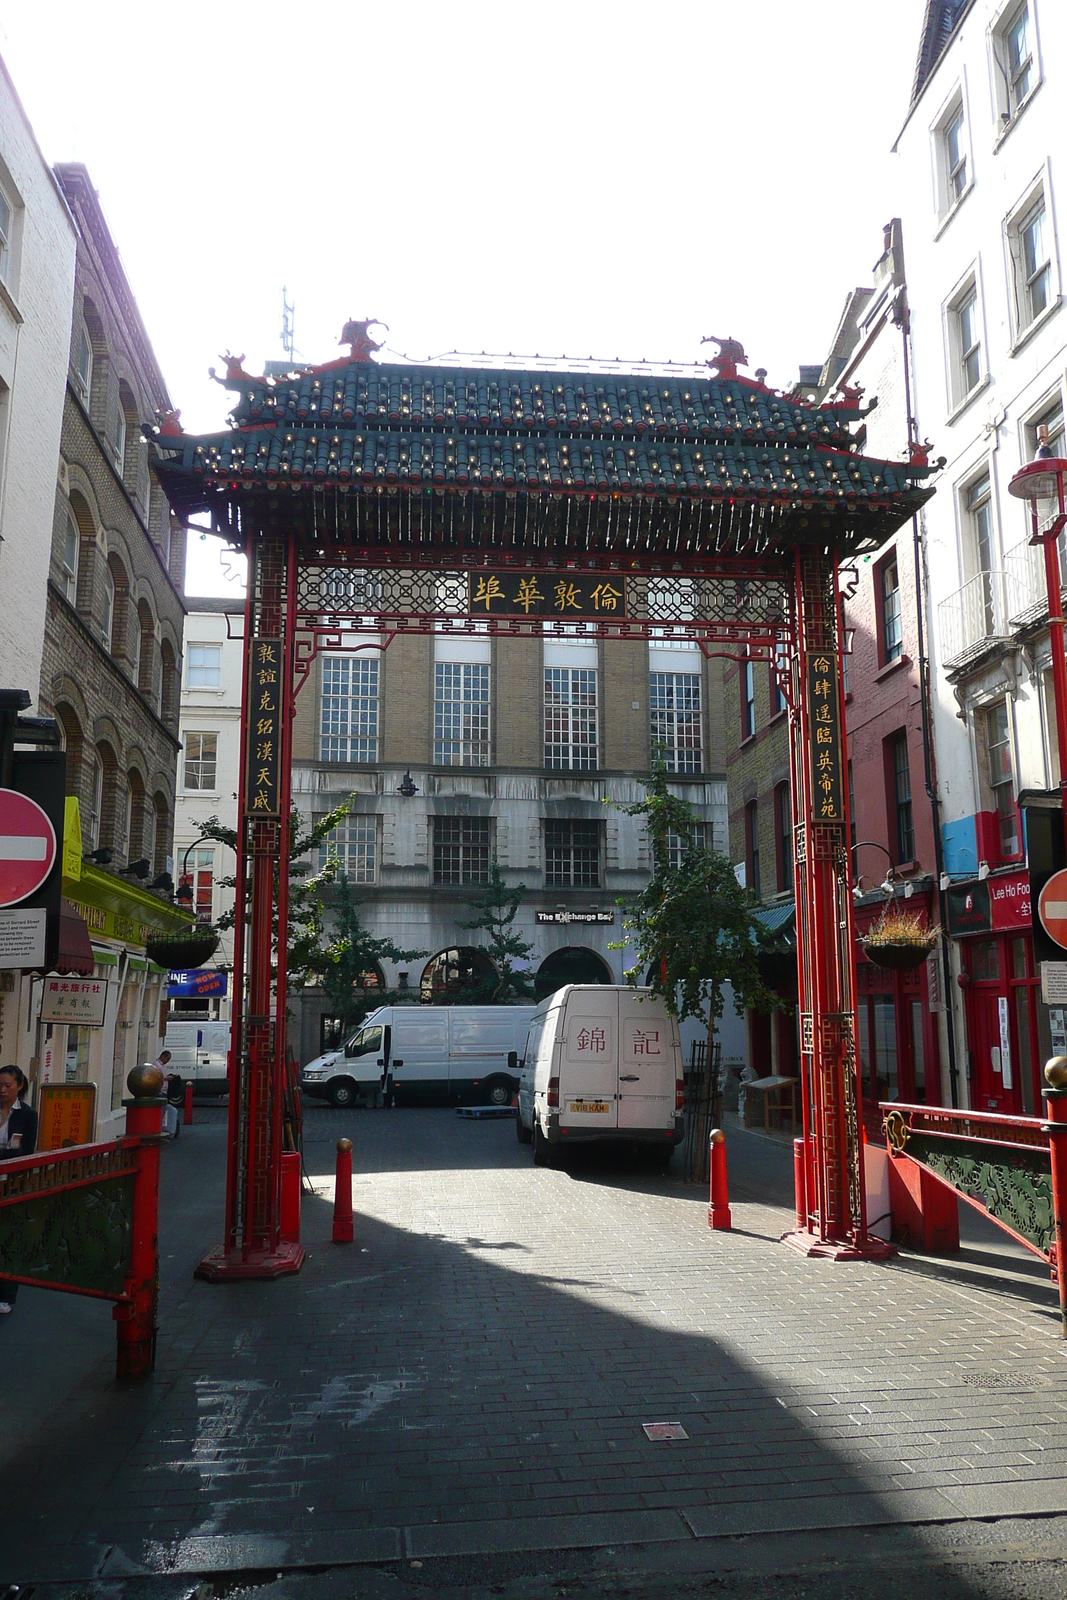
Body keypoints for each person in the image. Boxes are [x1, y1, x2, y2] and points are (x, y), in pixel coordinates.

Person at [0, 1065, 38, 1316]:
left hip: (11, 1182)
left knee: (8, 1237)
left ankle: (6, 1295)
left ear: (20, 1086)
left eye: (7, 1085)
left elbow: (25, 1152)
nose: (2, 1090)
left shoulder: (27, 1115)